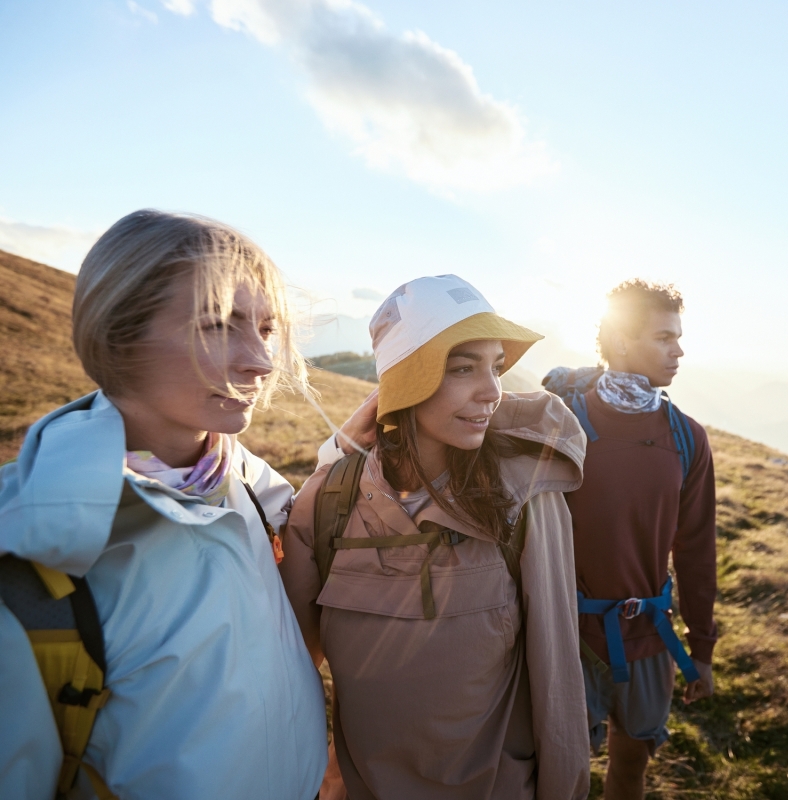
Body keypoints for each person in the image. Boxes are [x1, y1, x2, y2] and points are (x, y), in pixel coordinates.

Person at [0, 209, 374, 800]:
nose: (262, 361)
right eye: (219, 324)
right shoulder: (27, 554)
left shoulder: (250, 482)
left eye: (268, 328)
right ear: (118, 332)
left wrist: (344, 461)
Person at [281, 274, 591, 800]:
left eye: (495, 366)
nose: (492, 390)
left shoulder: (526, 499)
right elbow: (289, 670)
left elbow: (557, 678)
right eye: (462, 367)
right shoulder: (329, 501)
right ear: (405, 381)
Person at [561, 280, 717, 800]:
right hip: (566, 639)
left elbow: (696, 549)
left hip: (649, 638)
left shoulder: (686, 436)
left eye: (678, 337)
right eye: (663, 337)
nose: (678, 350)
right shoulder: (563, 424)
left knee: (630, 774)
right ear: (623, 341)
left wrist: (702, 649)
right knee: (560, 779)